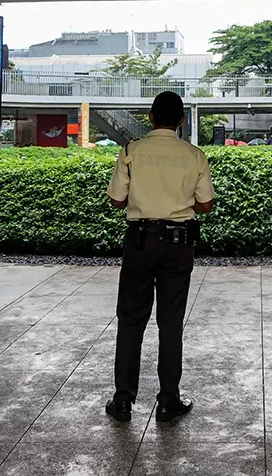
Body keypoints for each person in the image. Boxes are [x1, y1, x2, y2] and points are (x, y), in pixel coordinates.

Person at [105, 91, 214, 425]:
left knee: (131, 320)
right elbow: (206, 204)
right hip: (178, 245)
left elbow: (117, 201)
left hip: (139, 242)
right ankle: (169, 400)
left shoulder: (131, 151)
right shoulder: (194, 156)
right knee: (170, 323)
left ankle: (123, 400)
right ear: (182, 121)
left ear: (150, 117)